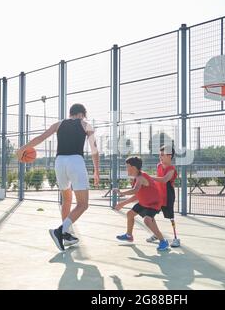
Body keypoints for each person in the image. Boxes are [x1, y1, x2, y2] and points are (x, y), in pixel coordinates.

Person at [16, 103, 99, 251]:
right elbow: (94, 150)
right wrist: (96, 171)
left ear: (70, 114)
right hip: (75, 161)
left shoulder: (59, 124)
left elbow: (40, 138)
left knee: (66, 199)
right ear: (82, 114)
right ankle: (60, 231)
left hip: (59, 162)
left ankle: (65, 235)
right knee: (83, 204)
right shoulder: (86, 125)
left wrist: (23, 148)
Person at [113, 156, 169, 251]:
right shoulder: (137, 178)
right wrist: (123, 203)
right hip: (144, 203)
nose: (126, 168)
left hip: (153, 204)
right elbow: (138, 195)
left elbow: (135, 190)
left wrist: (121, 193)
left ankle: (163, 241)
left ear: (133, 167)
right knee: (130, 214)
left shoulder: (140, 178)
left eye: (127, 166)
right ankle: (129, 235)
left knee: (147, 221)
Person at [148, 145, 180, 247]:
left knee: (171, 217)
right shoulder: (158, 166)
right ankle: (156, 234)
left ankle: (175, 238)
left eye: (162, 155)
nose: (160, 157)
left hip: (168, 196)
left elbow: (165, 179)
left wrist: (150, 177)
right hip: (157, 196)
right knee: (150, 215)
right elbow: (157, 180)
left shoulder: (172, 169)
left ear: (169, 156)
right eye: (159, 155)